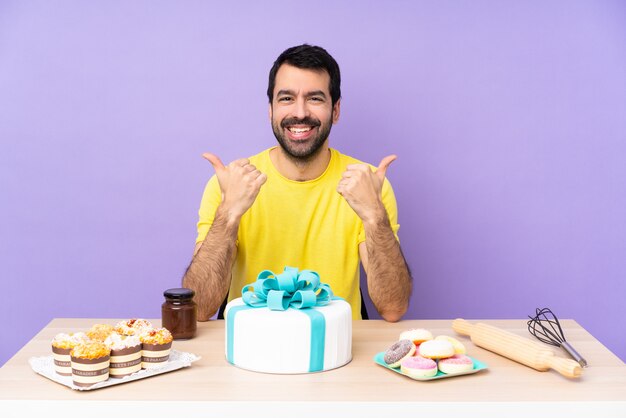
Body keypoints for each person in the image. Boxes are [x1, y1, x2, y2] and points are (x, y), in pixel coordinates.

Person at [182, 44, 412, 322]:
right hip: (249, 347)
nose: (300, 112)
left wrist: (375, 216)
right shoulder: (230, 185)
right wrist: (228, 214)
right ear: (270, 110)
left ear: (336, 110)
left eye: (315, 98)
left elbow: (393, 308)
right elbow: (199, 309)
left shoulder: (368, 185)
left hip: (337, 349)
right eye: (287, 98)